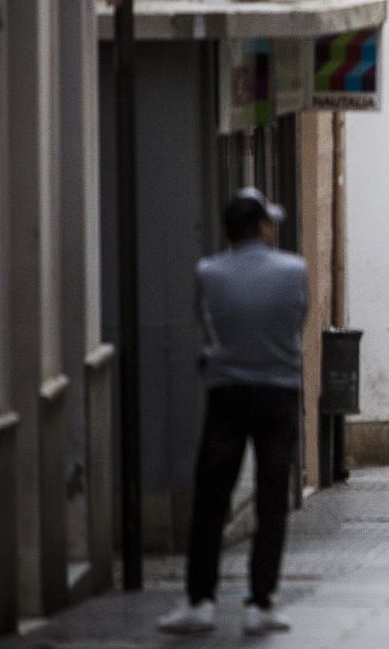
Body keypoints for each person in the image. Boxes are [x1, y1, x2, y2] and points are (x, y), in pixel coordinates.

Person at [159, 188, 307, 637]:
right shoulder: (293, 270)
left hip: (227, 393)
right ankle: (259, 603)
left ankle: (200, 600)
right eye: (270, 222)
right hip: (278, 393)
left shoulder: (208, 272)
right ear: (261, 227)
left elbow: (205, 323)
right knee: (271, 500)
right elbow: (297, 318)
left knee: (211, 498)